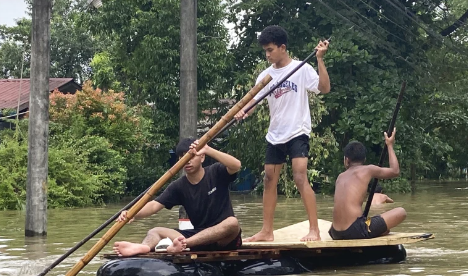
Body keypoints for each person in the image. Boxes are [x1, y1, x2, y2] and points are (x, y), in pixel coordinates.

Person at [235, 25, 330, 242]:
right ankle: (267, 231)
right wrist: (244, 111)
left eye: (270, 50)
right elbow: (253, 102)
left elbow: (324, 88)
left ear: (282, 48)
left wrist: (320, 60)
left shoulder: (301, 68)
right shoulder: (265, 75)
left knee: (299, 175)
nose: (267, 55)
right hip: (275, 134)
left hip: (298, 131)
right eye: (265, 51)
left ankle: (314, 229)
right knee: (269, 178)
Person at [113, 138, 242, 256]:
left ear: (202, 157)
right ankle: (144, 247)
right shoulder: (178, 186)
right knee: (155, 231)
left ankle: (182, 244)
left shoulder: (216, 172)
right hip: (197, 236)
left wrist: (208, 149)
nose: (187, 161)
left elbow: (236, 165)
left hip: (223, 239)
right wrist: (132, 213)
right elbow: (154, 205)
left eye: (191, 156)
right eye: (182, 157)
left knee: (232, 222)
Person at [329, 129, 406, 240]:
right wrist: (389, 145)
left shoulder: (340, 177)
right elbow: (395, 171)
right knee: (401, 211)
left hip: (335, 233)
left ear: (346, 160)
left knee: (374, 224)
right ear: (364, 159)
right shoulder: (368, 170)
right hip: (355, 230)